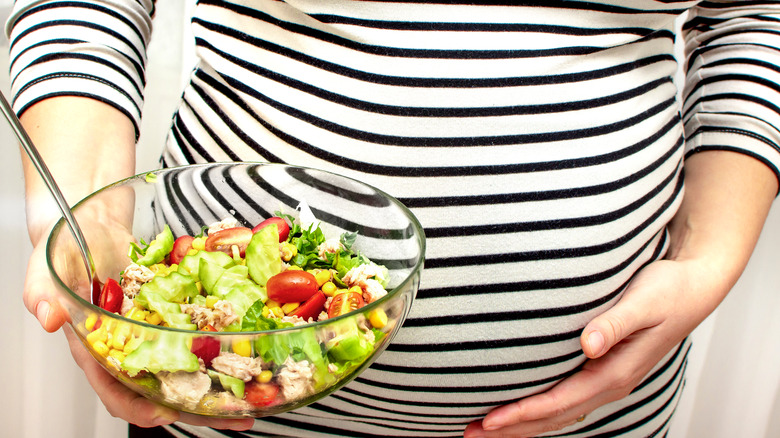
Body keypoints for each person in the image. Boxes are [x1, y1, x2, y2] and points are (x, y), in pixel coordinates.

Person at [7, 1, 779, 437]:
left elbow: (753, 15)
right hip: (220, 408)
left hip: (595, 414)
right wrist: (86, 216)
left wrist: (711, 260)